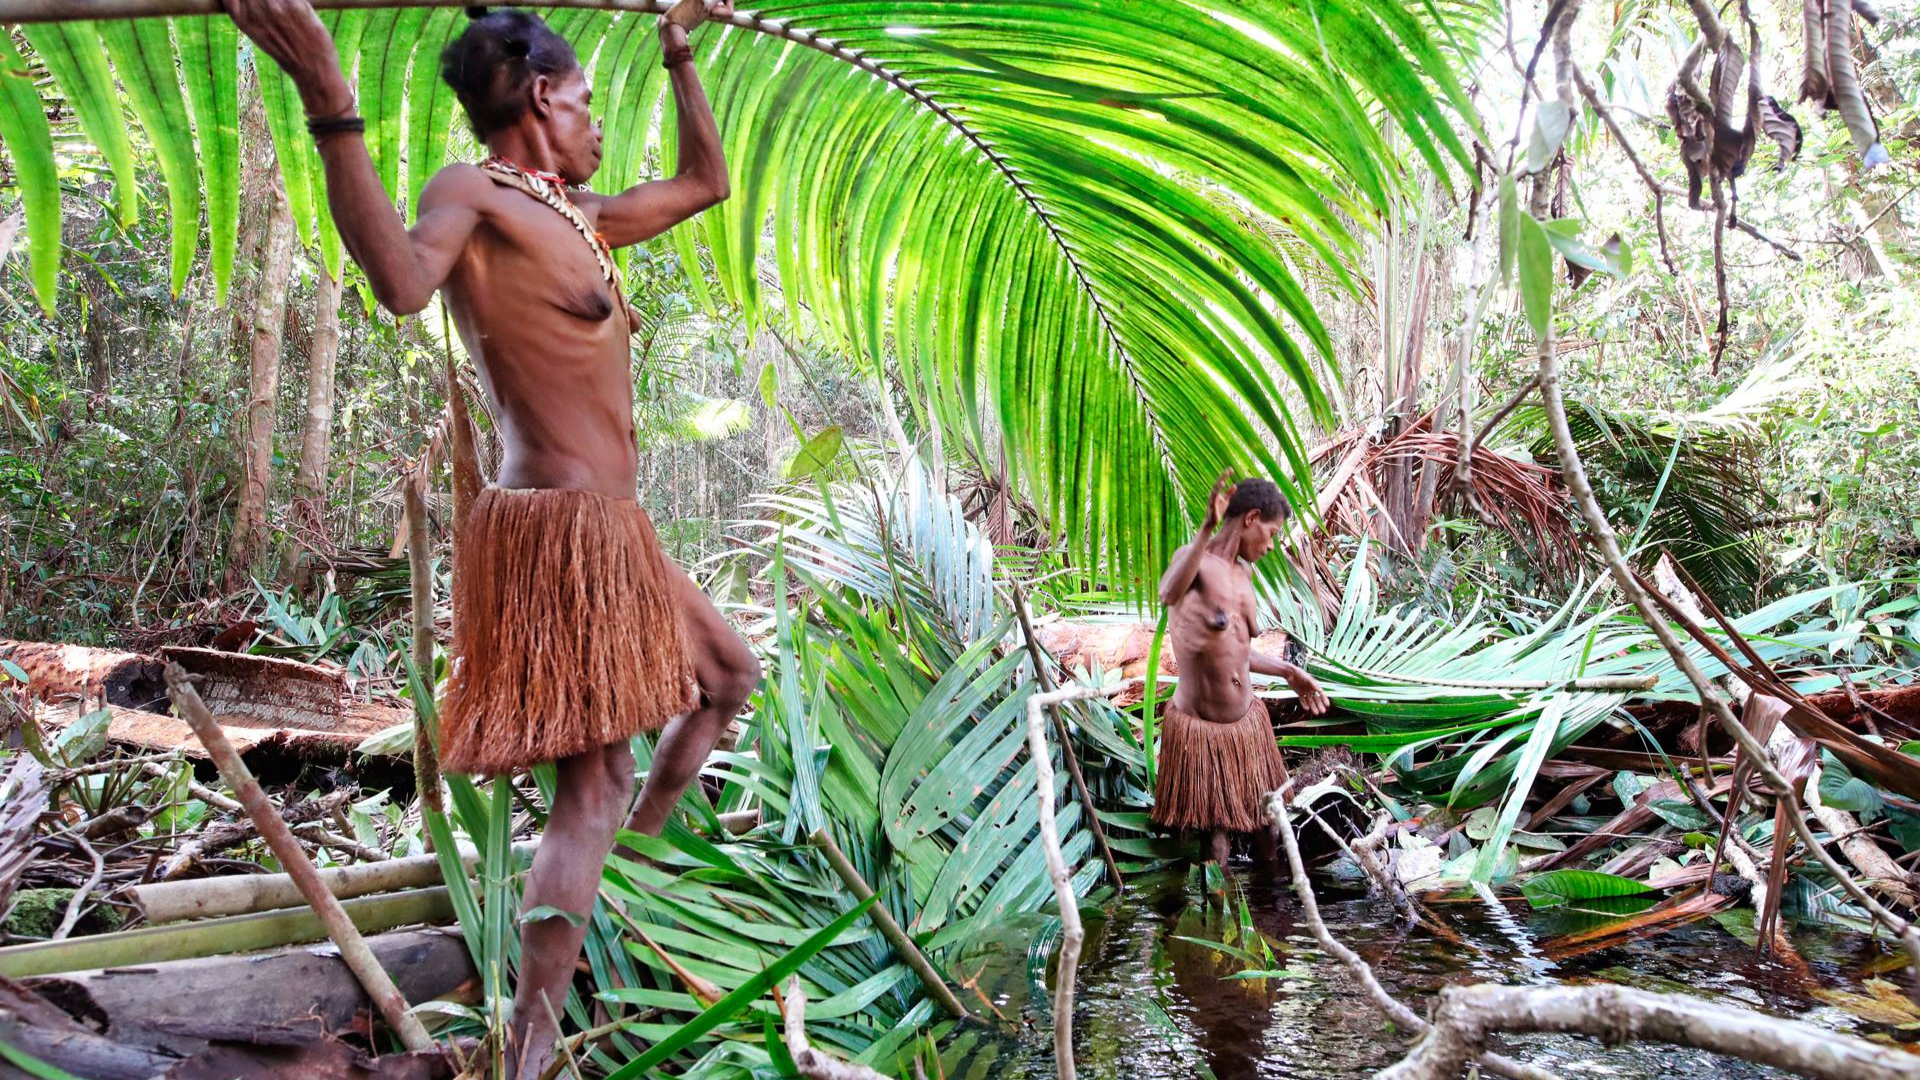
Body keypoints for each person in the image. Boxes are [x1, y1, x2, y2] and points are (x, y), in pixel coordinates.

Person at [224, 2, 754, 1075]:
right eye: (592, 102)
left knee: (726, 677)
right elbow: (401, 284)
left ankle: (622, 879)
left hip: (617, 532)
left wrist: (680, 49)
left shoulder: (582, 215)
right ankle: (532, 1039)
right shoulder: (472, 194)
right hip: (554, 530)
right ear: (545, 95)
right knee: (591, 785)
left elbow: (707, 184)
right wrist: (334, 104)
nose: (602, 125)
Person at [1154, 472, 1330, 866]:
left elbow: (1236, 651)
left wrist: (1288, 671)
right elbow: (1167, 593)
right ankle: (1218, 920)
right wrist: (1205, 529)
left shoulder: (1244, 574)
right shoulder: (1193, 561)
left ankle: (1272, 921)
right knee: (1217, 836)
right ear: (1250, 518)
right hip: (1203, 730)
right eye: (1271, 533)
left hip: (1248, 725)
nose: (1271, 546)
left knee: (1269, 825)